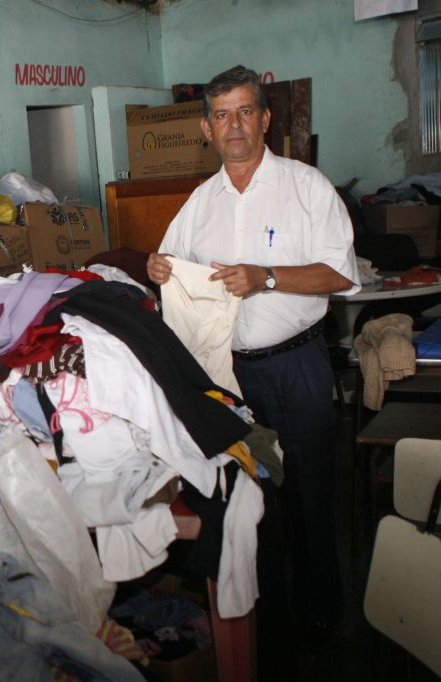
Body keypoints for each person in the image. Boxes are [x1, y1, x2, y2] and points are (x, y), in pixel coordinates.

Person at [146, 66, 360, 645]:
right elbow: (164, 258)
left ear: (266, 120)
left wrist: (266, 277)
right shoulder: (201, 200)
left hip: (297, 368)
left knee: (310, 496)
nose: (234, 125)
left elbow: (340, 273)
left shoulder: (306, 186)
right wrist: (155, 266)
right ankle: (266, 618)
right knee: (245, 501)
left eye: (245, 111)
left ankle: (321, 614)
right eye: (222, 115)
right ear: (206, 128)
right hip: (229, 378)